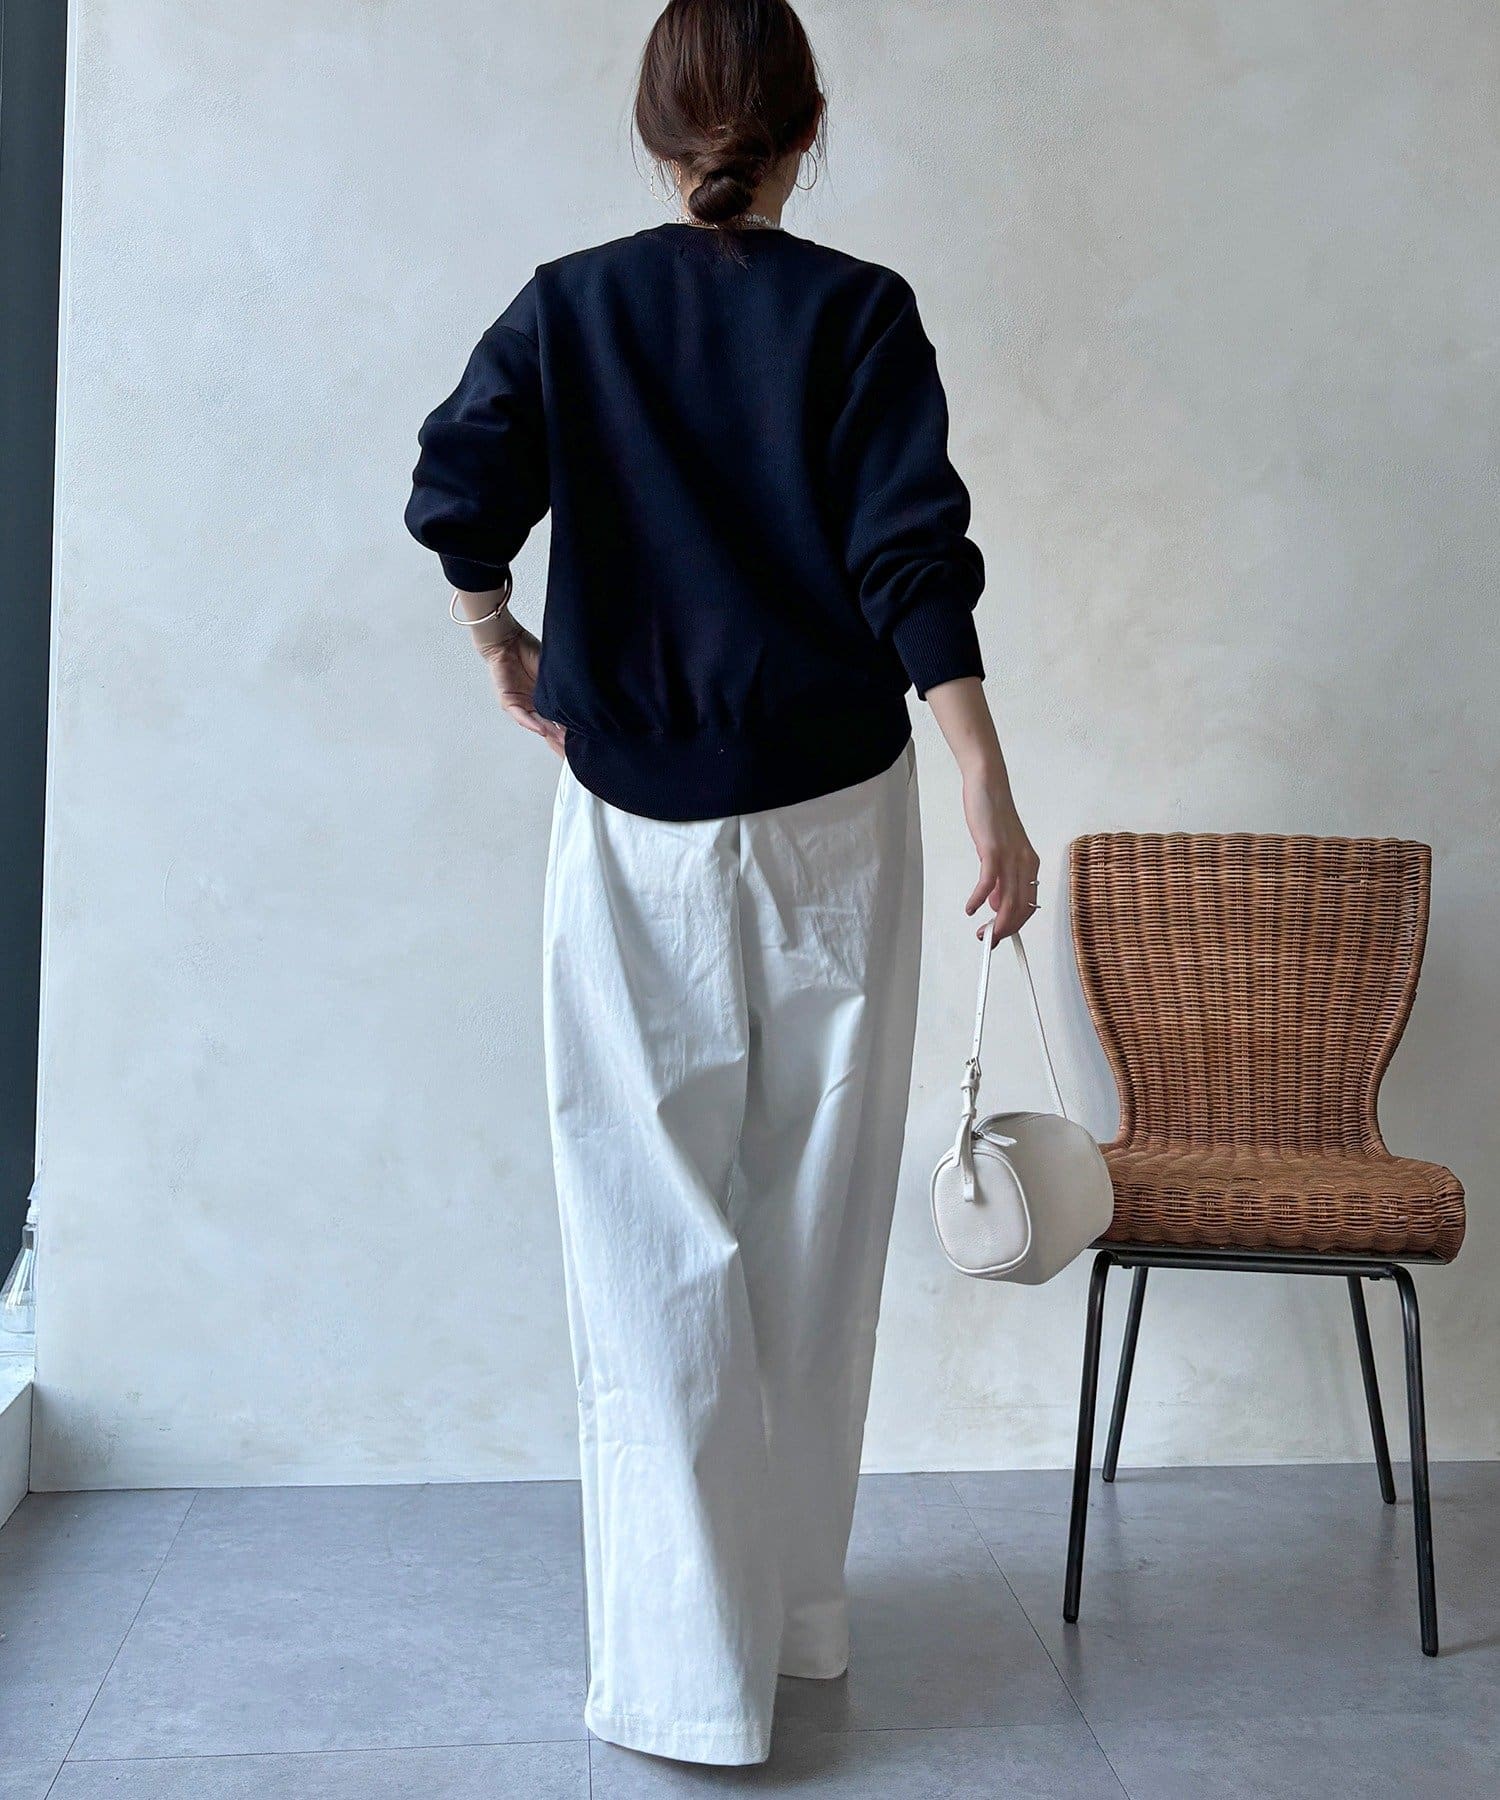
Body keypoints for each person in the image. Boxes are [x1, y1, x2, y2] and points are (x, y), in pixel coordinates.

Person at [405, 0, 1038, 1766]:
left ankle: (690, 1673)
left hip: (635, 827)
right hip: (839, 813)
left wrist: (494, 634)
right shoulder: (862, 312)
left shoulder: (572, 308)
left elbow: (457, 487)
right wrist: (986, 775)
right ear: (806, 127)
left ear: (654, 129)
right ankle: (797, 1620)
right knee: (814, 1234)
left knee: (648, 1235)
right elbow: (912, 555)